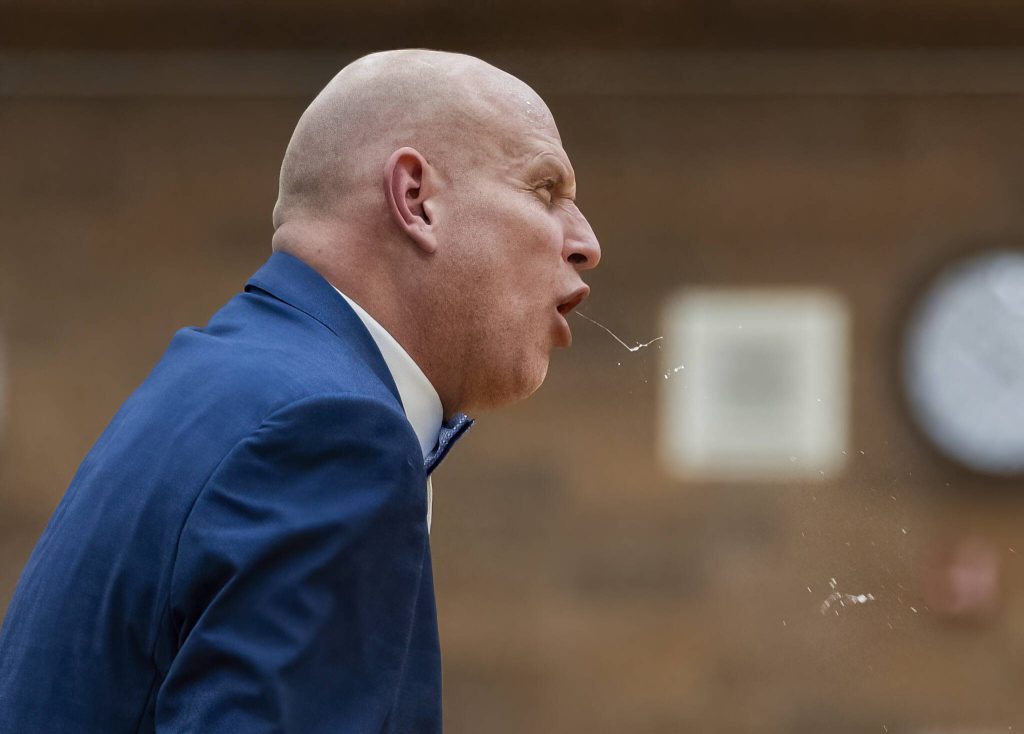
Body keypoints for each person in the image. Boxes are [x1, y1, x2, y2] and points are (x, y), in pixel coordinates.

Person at [0, 49, 600, 733]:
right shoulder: (330, 430)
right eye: (545, 191)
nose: (586, 242)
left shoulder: (225, 383)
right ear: (416, 200)